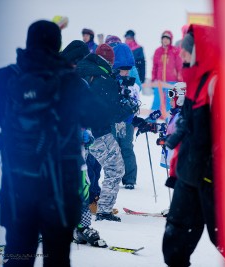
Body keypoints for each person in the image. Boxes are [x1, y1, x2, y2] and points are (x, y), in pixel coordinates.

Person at [0, 20, 106, 266]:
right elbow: (98, 117)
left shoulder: (6, 78)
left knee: (18, 256)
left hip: (18, 190)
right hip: (60, 193)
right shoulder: (70, 82)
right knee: (56, 259)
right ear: (57, 45)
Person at [162, 24, 219, 267]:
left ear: (199, 51)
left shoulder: (215, 82)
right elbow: (187, 118)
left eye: (186, 50)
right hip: (188, 171)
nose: (182, 54)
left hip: (209, 176)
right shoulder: (194, 81)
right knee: (176, 235)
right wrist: (173, 139)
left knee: (224, 238)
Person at [60, 40, 107, 247]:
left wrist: (86, 130)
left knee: (82, 185)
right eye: (75, 61)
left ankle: (82, 226)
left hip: (75, 147)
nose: (77, 65)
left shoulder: (80, 84)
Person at [76, 44, 126, 222]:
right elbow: (111, 111)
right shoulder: (103, 78)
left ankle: (68, 211)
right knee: (115, 168)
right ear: (110, 61)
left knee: (79, 172)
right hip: (98, 131)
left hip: (77, 130)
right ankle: (104, 210)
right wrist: (127, 108)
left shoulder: (81, 71)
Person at [111, 42, 141, 190]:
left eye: (128, 70)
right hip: (113, 121)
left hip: (127, 122)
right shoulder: (111, 83)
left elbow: (137, 102)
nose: (126, 73)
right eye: (123, 70)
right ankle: (114, 176)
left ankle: (129, 178)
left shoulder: (133, 85)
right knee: (114, 149)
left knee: (127, 148)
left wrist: (133, 108)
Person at [151, 30, 182, 118]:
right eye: (164, 38)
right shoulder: (158, 51)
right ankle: (151, 121)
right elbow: (155, 66)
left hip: (171, 82)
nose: (165, 40)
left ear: (170, 40)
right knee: (156, 101)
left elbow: (179, 66)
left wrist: (179, 80)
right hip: (159, 82)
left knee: (170, 102)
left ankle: (169, 122)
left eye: (167, 39)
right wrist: (154, 79)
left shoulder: (175, 51)